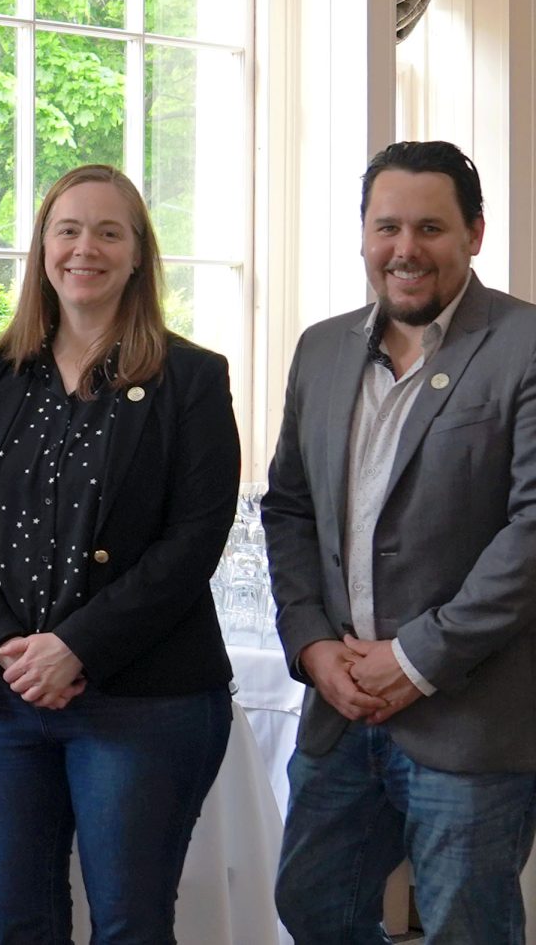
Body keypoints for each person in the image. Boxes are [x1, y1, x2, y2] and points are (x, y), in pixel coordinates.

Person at [0, 163, 238, 943]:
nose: (84, 248)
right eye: (67, 229)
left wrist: (75, 647)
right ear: (41, 249)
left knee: (130, 924)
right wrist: (8, 647)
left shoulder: (191, 377)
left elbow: (193, 539)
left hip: (142, 701)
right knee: (21, 924)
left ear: (137, 254)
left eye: (108, 231)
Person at [265, 141, 536, 944]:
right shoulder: (321, 347)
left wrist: (414, 657)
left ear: (475, 233)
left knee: (464, 929)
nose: (405, 249)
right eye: (387, 226)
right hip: (339, 706)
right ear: (362, 235)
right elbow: (287, 508)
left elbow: (532, 530)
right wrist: (313, 643)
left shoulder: (524, 344)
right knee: (314, 903)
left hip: (470, 717)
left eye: (431, 227)